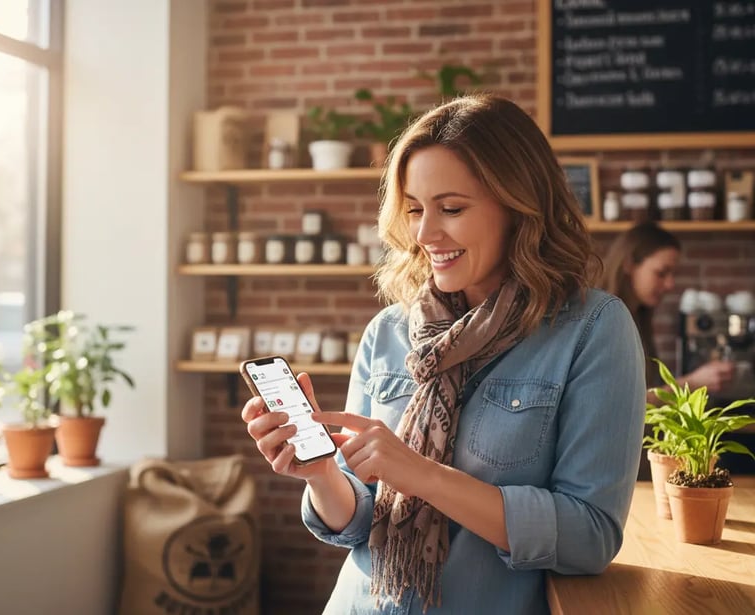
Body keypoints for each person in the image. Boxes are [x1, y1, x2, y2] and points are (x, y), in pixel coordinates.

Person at [242, 94, 646, 614]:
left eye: (451, 209)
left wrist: (425, 475)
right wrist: (320, 473)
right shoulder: (388, 332)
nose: (426, 234)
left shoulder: (592, 330)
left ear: (519, 207)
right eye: (414, 210)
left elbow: (589, 537)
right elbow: (361, 521)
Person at [599, 222, 735, 397]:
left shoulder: (637, 318)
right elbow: (621, 404)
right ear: (629, 264)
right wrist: (692, 383)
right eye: (661, 273)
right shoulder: (605, 322)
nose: (670, 285)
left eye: (673, 274)